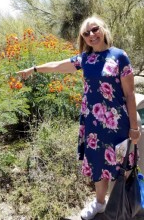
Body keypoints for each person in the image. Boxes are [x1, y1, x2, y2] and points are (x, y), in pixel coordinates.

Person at [17, 15, 141, 220]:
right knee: (97, 164)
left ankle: (124, 203)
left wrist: (134, 128)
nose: (91, 35)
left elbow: (129, 94)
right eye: (86, 33)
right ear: (83, 38)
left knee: (123, 165)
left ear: (103, 30)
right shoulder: (85, 58)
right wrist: (34, 69)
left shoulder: (119, 56)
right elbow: (58, 66)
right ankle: (100, 204)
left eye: (94, 30)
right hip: (93, 122)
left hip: (118, 123)